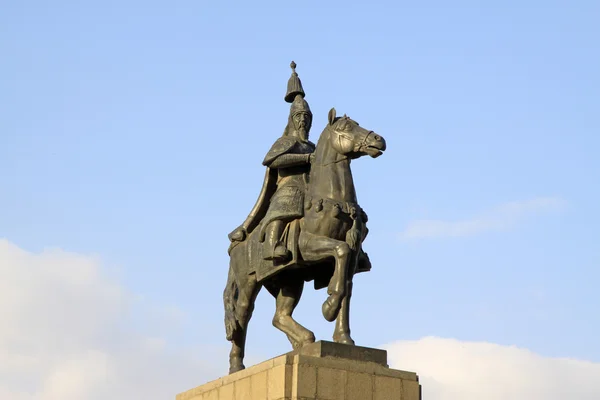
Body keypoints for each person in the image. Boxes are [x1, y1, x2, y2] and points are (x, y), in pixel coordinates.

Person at [228, 62, 315, 263]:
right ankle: (271, 245)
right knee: (285, 206)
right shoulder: (286, 141)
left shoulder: (313, 146)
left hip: (311, 190)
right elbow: (272, 160)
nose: (303, 121)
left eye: (306, 117)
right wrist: (305, 158)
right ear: (292, 119)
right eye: (299, 116)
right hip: (289, 187)